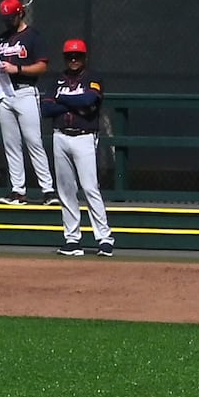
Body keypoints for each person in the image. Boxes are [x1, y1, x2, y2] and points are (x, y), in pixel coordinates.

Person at [48, 39, 116, 256]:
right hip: (60, 136)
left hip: (84, 137)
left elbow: (89, 100)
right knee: (66, 191)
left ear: (85, 57)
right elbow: (47, 108)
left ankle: (104, 238)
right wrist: (72, 102)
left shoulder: (93, 77)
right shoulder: (57, 79)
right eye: (70, 56)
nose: (74, 60)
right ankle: (72, 239)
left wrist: (63, 100)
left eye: (77, 56)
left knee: (89, 188)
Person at [0, 0, 51, 202]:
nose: (7, 21)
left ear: (20, 14)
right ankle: (18, 191)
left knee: (34, 141)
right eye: (5, 18)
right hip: (4, 93)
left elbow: (42, 66)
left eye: (11, 17)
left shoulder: (33, 36)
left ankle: (48, 190)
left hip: (26, 91)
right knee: (11, 144)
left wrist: (18, 69)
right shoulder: (3, 38)